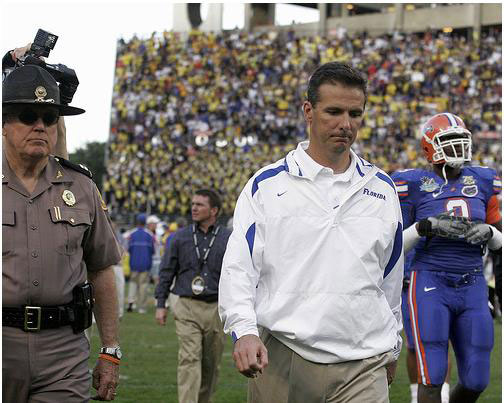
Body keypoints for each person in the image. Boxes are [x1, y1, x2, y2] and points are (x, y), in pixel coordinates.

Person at [219, 61, 404, 403]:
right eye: (333, 111)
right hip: (284, 357)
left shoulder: (382, 189)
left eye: (355, 114)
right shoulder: (267, 185)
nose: (345, 124)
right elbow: (239, 268)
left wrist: (393, 345)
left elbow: (390, 277)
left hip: (364, 364)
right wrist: (244, 331)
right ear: (308, 110)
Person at [2, 64, 122, 401]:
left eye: (50, 117)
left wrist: (110, 350)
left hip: (63, 353)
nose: (40, 125)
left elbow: (100, 268)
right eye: (28, 116)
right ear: (4, 124)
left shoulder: (81, 186)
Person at [391, 112, 502, 403]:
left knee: (477, 379)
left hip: (473, 281)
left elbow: (501, 243)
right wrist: (425, 227)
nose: (458, 148)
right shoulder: (410, 183)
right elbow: (392, 248)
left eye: (460, 141)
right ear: (430, 147)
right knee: (432, 374)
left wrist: (490, 232)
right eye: (449, 141)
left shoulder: (484, 180)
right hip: (429, 279)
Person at [155, 189, 232, 403]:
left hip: (216, 307)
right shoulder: (179, 237)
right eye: (193, 204)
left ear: (214, 210)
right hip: (186, 305)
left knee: (210, 365)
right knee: (189, 359)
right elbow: (166, 271)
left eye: (200, 204)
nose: (194, 208)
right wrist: (160, 304)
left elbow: (237, 274)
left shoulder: (229, 238)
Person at [127, 213, 155, 314]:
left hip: (134, 263)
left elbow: (129, 249)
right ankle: (142, 307)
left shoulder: (132, 234)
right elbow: (153, 251)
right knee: (143, 285)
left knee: (133, 283)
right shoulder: (149, 235)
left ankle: (131, 302)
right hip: (145, 264)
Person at [147, 214, 161, 286]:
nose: (156, 225)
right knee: (146, 280)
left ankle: (157, 296)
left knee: (157, 280)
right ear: (150, 224)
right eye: (155, 223)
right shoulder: (146, 234)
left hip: (157, 260)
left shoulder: (157, 234)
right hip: (148, 260)